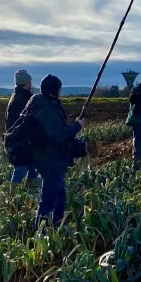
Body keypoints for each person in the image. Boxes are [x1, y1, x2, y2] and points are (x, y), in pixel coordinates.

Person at [26, 74, 86, 230]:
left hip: (47, 157)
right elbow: (58, 135)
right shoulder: (46, 109)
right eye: (59, 89)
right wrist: (77, 126)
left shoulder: (40, 103)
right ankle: (41, 234)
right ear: (54, 91)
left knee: (60, 196)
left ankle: (58, 224)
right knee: (48, 199)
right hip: (50, 158)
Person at [6, 69, 38, 195]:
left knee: (31, 168)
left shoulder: (15, 97)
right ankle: (13, 197)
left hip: (19, 140)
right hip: (22, 141)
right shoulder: (25, 99)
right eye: (30, 81)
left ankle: (30, 194)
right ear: (26, 82)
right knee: (20, 169)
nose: (31, 83)